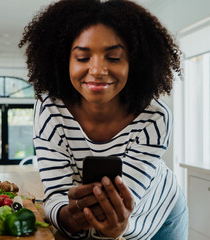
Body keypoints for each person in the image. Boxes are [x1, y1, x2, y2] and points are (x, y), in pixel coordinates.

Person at [19, 0, 188, 239]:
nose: (97, 69)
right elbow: (55, 194)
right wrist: (68, 217)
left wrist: (113, 228)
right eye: (82, 57)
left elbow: (123, 209)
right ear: (63, 61)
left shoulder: (154, 116)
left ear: (135, 63)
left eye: (114, 57)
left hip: (158, 216)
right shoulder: (50, 109)